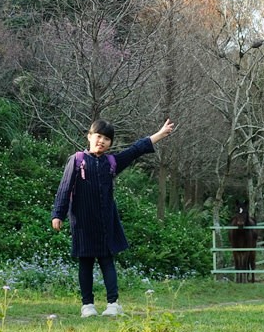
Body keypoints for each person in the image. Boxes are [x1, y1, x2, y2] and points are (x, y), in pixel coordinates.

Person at [51, 117, 175, 318]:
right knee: (85, 264)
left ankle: (112, 304)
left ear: (110, 143)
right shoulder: (77, 159)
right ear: (89, 136)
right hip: (82, 223)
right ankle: (87, 306)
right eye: (98, 136)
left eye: (107, 139)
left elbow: (136, 150)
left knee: (107, 262)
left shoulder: (112, 162)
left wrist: (159, 135)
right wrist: (58, 214)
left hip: (106, 224)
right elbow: (64, 189)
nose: (102, 141)